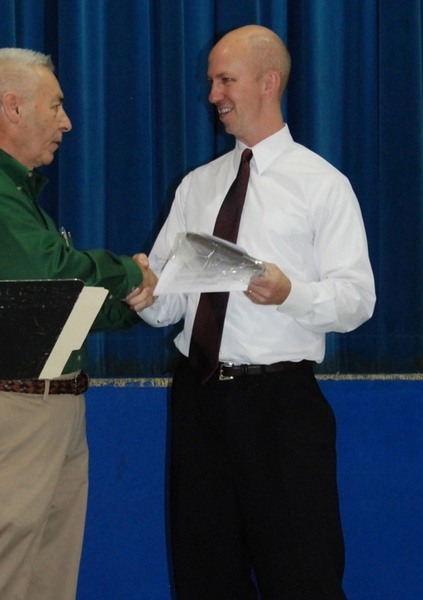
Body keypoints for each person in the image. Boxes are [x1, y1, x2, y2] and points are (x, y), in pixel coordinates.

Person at [131, 25, 376, 599]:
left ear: (269, 83)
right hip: (198, 402)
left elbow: (357, 300)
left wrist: (291, 291)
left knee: (303, 578)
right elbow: (170, 303)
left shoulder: (322, 186)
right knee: (205, 577)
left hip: (281, 411)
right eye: (213, 81)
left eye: (225, 80)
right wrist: (143, 291)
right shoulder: (197, 186)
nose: (213, 94)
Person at [0, 48, 156, 600]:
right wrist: (125, 272)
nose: (67, 122)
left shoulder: (12, 193)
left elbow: (53, 306)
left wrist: (129, 304)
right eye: (57, 105)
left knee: (45, 586)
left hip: (45, 413)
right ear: (13, 107)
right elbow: (51, 274)